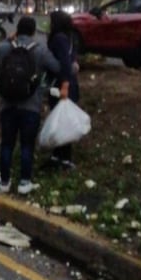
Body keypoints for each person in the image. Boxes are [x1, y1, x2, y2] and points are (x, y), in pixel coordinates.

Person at [0, 16, 60, 194]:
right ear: (33, 31)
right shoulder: (40, 50)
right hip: (31, 105)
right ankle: (24, 182)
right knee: (26, 145)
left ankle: (4, 182)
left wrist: (9, 38)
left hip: (7, 104)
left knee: (7, 144)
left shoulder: (7, 48)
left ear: (17, 30)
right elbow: (56, 67)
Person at [45, 10, 81, 170]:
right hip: (68, 84)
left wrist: (65, 85)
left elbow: (65, 63)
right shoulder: (68, 38)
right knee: (61, 120)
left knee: (61, 121)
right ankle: (60, 155)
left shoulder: (58, 39)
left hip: (61, 86)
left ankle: (62, 158)